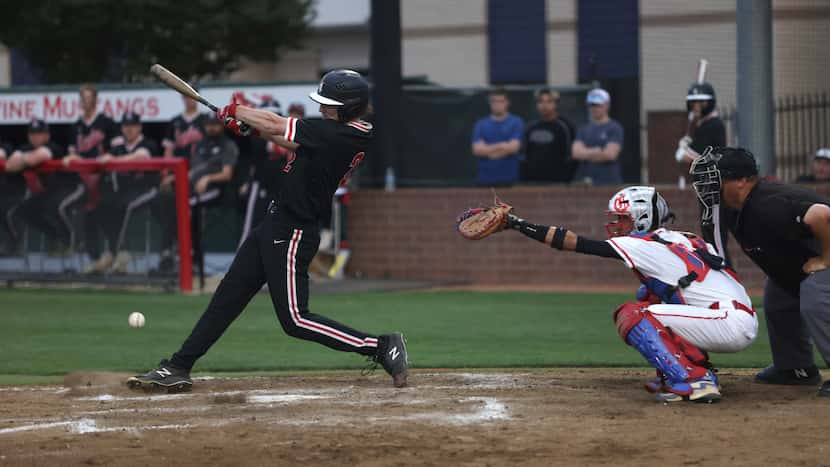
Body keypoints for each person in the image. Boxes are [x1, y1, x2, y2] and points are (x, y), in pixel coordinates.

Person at [128, 70, 408, 392]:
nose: (322, 110)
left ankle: (381, 346)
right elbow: (286, 138)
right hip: (274, 223)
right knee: (227, 298)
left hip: (294, 231)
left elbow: (278, 124)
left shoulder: (345, 135)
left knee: (295, 320)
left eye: (328, 106)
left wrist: (237, 111)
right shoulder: (338, 131)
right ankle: (178, 365)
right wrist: (252, 129)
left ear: (347, 108)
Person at [488, 185, 756, 402]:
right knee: (648, 295)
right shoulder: (682, 238)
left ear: (642, 218)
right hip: (733, 318)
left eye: (624, 219)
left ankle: (693, 378)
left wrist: (517, 224)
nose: (617, 225)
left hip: (726, 322)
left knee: (633, 314)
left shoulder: (644, 244)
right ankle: (693, 371)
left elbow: (572, 243)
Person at [691, 147, 830, 396]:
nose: (710, 187)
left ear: (742, 181)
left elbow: (822, 215)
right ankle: (795, 368)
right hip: (802, 262)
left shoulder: (767, 203)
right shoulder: (731, 206)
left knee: (815, 293)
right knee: (778, 293)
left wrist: (825, 259)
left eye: (718, 179)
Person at [151, 116, 238, 276]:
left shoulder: (227, 145)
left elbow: (227, 174)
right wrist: (174, 177)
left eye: (215, 125)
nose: (212, 128)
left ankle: (192, 259)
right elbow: (192, 171)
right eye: (209, 125)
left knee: (186, 207)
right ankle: (168, 254)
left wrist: (208, 178)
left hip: (215, 190)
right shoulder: (200, 145)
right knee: (163, 200)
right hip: (192, 189)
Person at [84, 112, 160, 274]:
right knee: (100, 208)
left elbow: (139, 157)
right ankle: (112, 253)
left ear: (139, 127)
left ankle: (120, 253)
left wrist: (112, 160)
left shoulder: (148, 143)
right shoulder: (118, 147)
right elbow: (102, 159)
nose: (129, 129)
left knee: (126, 207)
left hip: (148, 190)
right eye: (126, 126)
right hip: (124, 192)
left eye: (133, 126)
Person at [63, 84, 118, 260]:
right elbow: (72, 152)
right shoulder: (76, 125)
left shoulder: (106, 122)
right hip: (83, 181)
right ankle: (93, 258)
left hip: (105, 179)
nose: (86, 102)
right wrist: (71, 157)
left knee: (106, 214)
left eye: (89, 98)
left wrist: (109, 156)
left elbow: (118, 149)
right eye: (83, 98)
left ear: (95, 100)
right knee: (84, 215)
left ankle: (114, 254)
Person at [8, 120, 70, 249]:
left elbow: (35, 158)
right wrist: (25, 158)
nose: (35, 137)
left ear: (47, 135)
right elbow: (10, 165)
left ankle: (70, 241)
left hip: (63, 191)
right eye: (32, 134)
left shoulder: (54, 147)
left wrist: (23, 159)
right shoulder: (26, 148)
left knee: (56, 208)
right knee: (22, 211)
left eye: (39, 134)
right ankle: (55, 236)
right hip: (42, 194)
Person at [238, 99, 289, 248]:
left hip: (283, 186)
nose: (270, 122)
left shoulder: (289, 135)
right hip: (260, 184)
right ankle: (242, 265)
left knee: (281, 228)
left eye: (274, 116)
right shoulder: (256, 135)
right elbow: (258, 157)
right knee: (252, 226)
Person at [471, 88, 524, 186]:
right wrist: (502, 145)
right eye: (494, 101)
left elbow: (514, 148)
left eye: (501, 101)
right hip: (485, 180)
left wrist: (488, 150)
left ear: (507, 102)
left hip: (510, 180)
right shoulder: (481, 124)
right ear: (490, 103)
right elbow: (477, 150)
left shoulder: (516, 122)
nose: (497, 105)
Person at [571, 88, 624, 185]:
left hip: (609, 182)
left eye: (598, 105)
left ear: (607, 105)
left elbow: (610, 155)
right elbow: (576, 153)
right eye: (592, 105)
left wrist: (585, 154)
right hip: (587, 182)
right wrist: (596, 151)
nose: (595, 108)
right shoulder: (583, 129)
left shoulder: (614, 127)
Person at [522, 88, 576, 183]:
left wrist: (566, 180)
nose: (544, 105)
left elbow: (569, 157)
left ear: (556, 104)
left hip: (558, 182)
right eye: (540, 102)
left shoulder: (565, 127)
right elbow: (525, 155)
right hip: (532, 182)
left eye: (549, 101)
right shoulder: (530, 128)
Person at [675, 82, 726, 163]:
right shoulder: (708, 123)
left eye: (701, 103)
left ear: (710, 103)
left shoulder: (711, 125)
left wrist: (682, 151)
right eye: (693, 103)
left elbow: (693, 157)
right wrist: (689, 145)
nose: (696, 107)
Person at [162, 95, 206, 161]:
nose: (190, 100)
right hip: (179, 162)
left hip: (200, 162)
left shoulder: (205, 119)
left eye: (192, 97)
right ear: (183, 98)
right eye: (187, 97)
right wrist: (167, 167)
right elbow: (169, 147)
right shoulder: (175, 120)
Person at [0, 141, 22, 255]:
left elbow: (2, 153)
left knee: (5, 212)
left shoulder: (6, 147)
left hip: (13, 193)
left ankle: (14, 244)